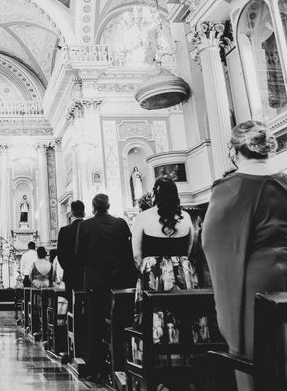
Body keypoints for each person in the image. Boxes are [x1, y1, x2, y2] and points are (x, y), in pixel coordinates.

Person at [203, 120, 287, 391]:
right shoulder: (283, 182)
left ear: (233, 150)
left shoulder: (230, 187)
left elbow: (214, 245)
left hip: (254, 281)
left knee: (255, 354)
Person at [76, 194, 137, 381]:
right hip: (119, 282)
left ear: (93, 208)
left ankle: (97, 368)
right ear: (108, 206)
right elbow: (129, 253)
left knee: (95, 324)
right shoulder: (121, 224)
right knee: (120, 322)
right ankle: (121, 363)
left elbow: (79, 255)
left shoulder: (85, 226)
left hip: (95, 282)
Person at [131, 177, 198, 330]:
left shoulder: (143, 217)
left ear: (154, 194)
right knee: (184, 315)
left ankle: (154, 347)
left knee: (156, 314)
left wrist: (147, 270)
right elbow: (189, 249)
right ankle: (186, 349)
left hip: (153, 274)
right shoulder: (186, 217)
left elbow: (136, 255)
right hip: (182, 271)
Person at [57, 200, 86, 306]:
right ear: (84, 213)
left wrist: (68, 268)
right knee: (88, 304)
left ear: (71, 213)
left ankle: (73, 322)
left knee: (73, 305)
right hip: (87, 274)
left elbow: (60, 255)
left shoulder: (64, 230)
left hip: (70, 274)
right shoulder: (90, 227)